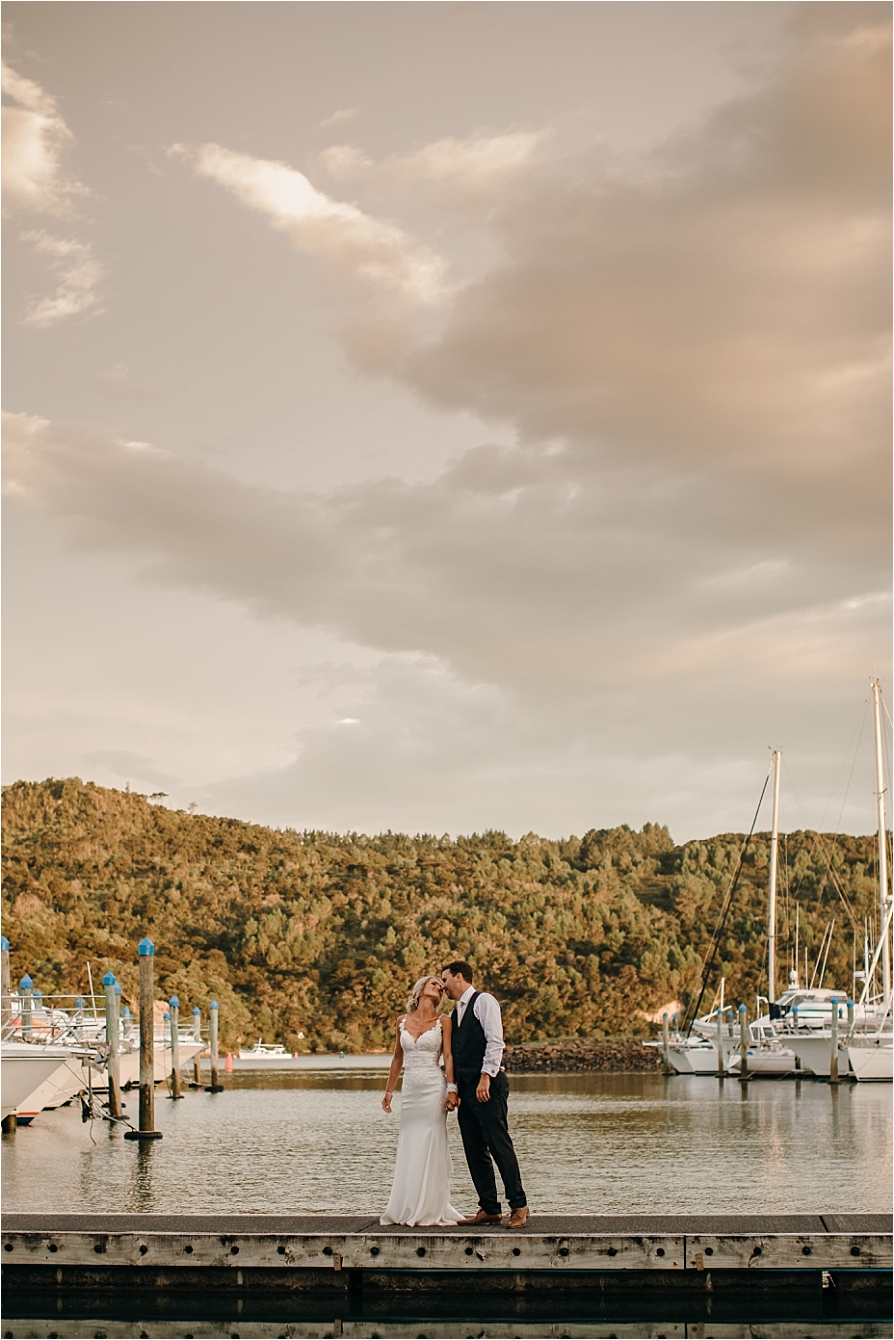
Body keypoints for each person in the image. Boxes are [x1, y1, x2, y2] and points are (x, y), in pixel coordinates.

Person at [441, 960, 529, 1229]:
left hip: (487, 1084)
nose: (443, 986)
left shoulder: (484, 1001)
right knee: (474, 1149)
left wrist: (485, 1078)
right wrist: (454, 1088)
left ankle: (519, 1206)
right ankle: (489, 1208)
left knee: (498, 1144)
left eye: (445, 980)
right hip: (466, 1088)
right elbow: (453, 1054)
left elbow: (495, 1041)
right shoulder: (456, 1012)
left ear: (459, 977)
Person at [380, 974, 462, 1226]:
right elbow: (397, 1058)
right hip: (411, 1091)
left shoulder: (444, 1021)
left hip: (433, 1088)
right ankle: (407, 1205)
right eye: (434, 983)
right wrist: (389, 1091)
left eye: (441, 985)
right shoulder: (401, 1021)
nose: (439, 986)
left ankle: (430, 1206)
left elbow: (448, 1056)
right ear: (421, 989)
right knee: (410, 1143)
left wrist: (452, 1089)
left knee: (430, 1142)